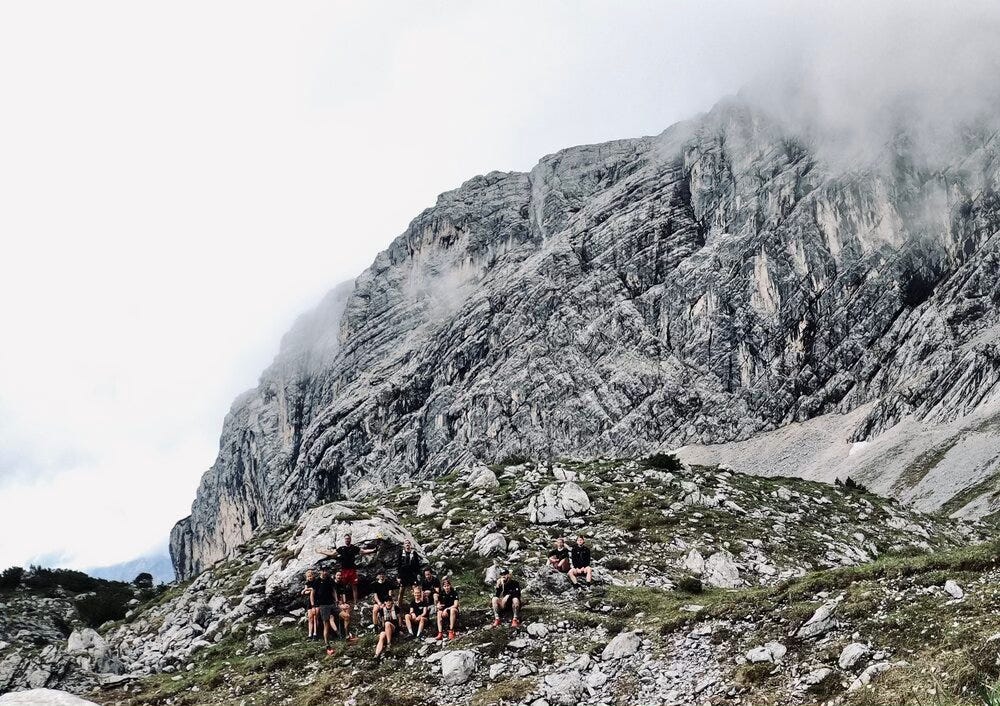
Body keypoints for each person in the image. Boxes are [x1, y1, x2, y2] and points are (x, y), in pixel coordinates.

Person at [319, 533, 376, 605]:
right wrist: (322, 552)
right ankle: (341, 602)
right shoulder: (341, 548)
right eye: (346, 539)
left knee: (354, 587)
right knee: (342, 586)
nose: (347, 540)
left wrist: (373, 550)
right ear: (344, 540)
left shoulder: (354, 548)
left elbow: (363, 551)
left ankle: (355, 603)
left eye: (348, 538)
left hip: (352, 570)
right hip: (344, 570)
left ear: (350, 539)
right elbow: (332, 553)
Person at [314, 568, 340, 652]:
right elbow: (313, 593)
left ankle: (344, 635)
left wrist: (336, 600)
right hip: (323, 605)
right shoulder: (317, 581)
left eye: (326, 571)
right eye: (323, 571)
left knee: (345, 616)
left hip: (331, 603)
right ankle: (327, 644)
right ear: (320, 571)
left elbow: (333, 590)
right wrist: (314, 605)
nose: (325, 572)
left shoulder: (330, 580)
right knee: (326, 624)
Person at [334, 570, 357, 642]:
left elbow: (343, 594)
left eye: (340, 575)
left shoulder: (342, 583)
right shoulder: (333, 584)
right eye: (337, 575)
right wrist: (338, 603)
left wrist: (344, 602)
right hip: (335, 603)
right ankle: (346, 633)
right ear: (335, 576)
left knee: (347, 608)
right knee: (346, 614)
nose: (339, 577)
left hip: (341, 602)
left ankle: (346, 632)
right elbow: (333, 595)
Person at [301, 569, 319, 640]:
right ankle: (309, 634)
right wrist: (306, 590)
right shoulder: (307, 583)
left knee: (315, 617)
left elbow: (312, 590)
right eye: (308, 576)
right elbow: (306, 593)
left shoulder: (316, 582)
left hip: (316, 601)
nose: (310, 577)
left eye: (311, 576)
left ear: (313, 575)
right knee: (310, 618)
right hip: (309, 602)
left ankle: (315, 633)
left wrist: (306, 590)